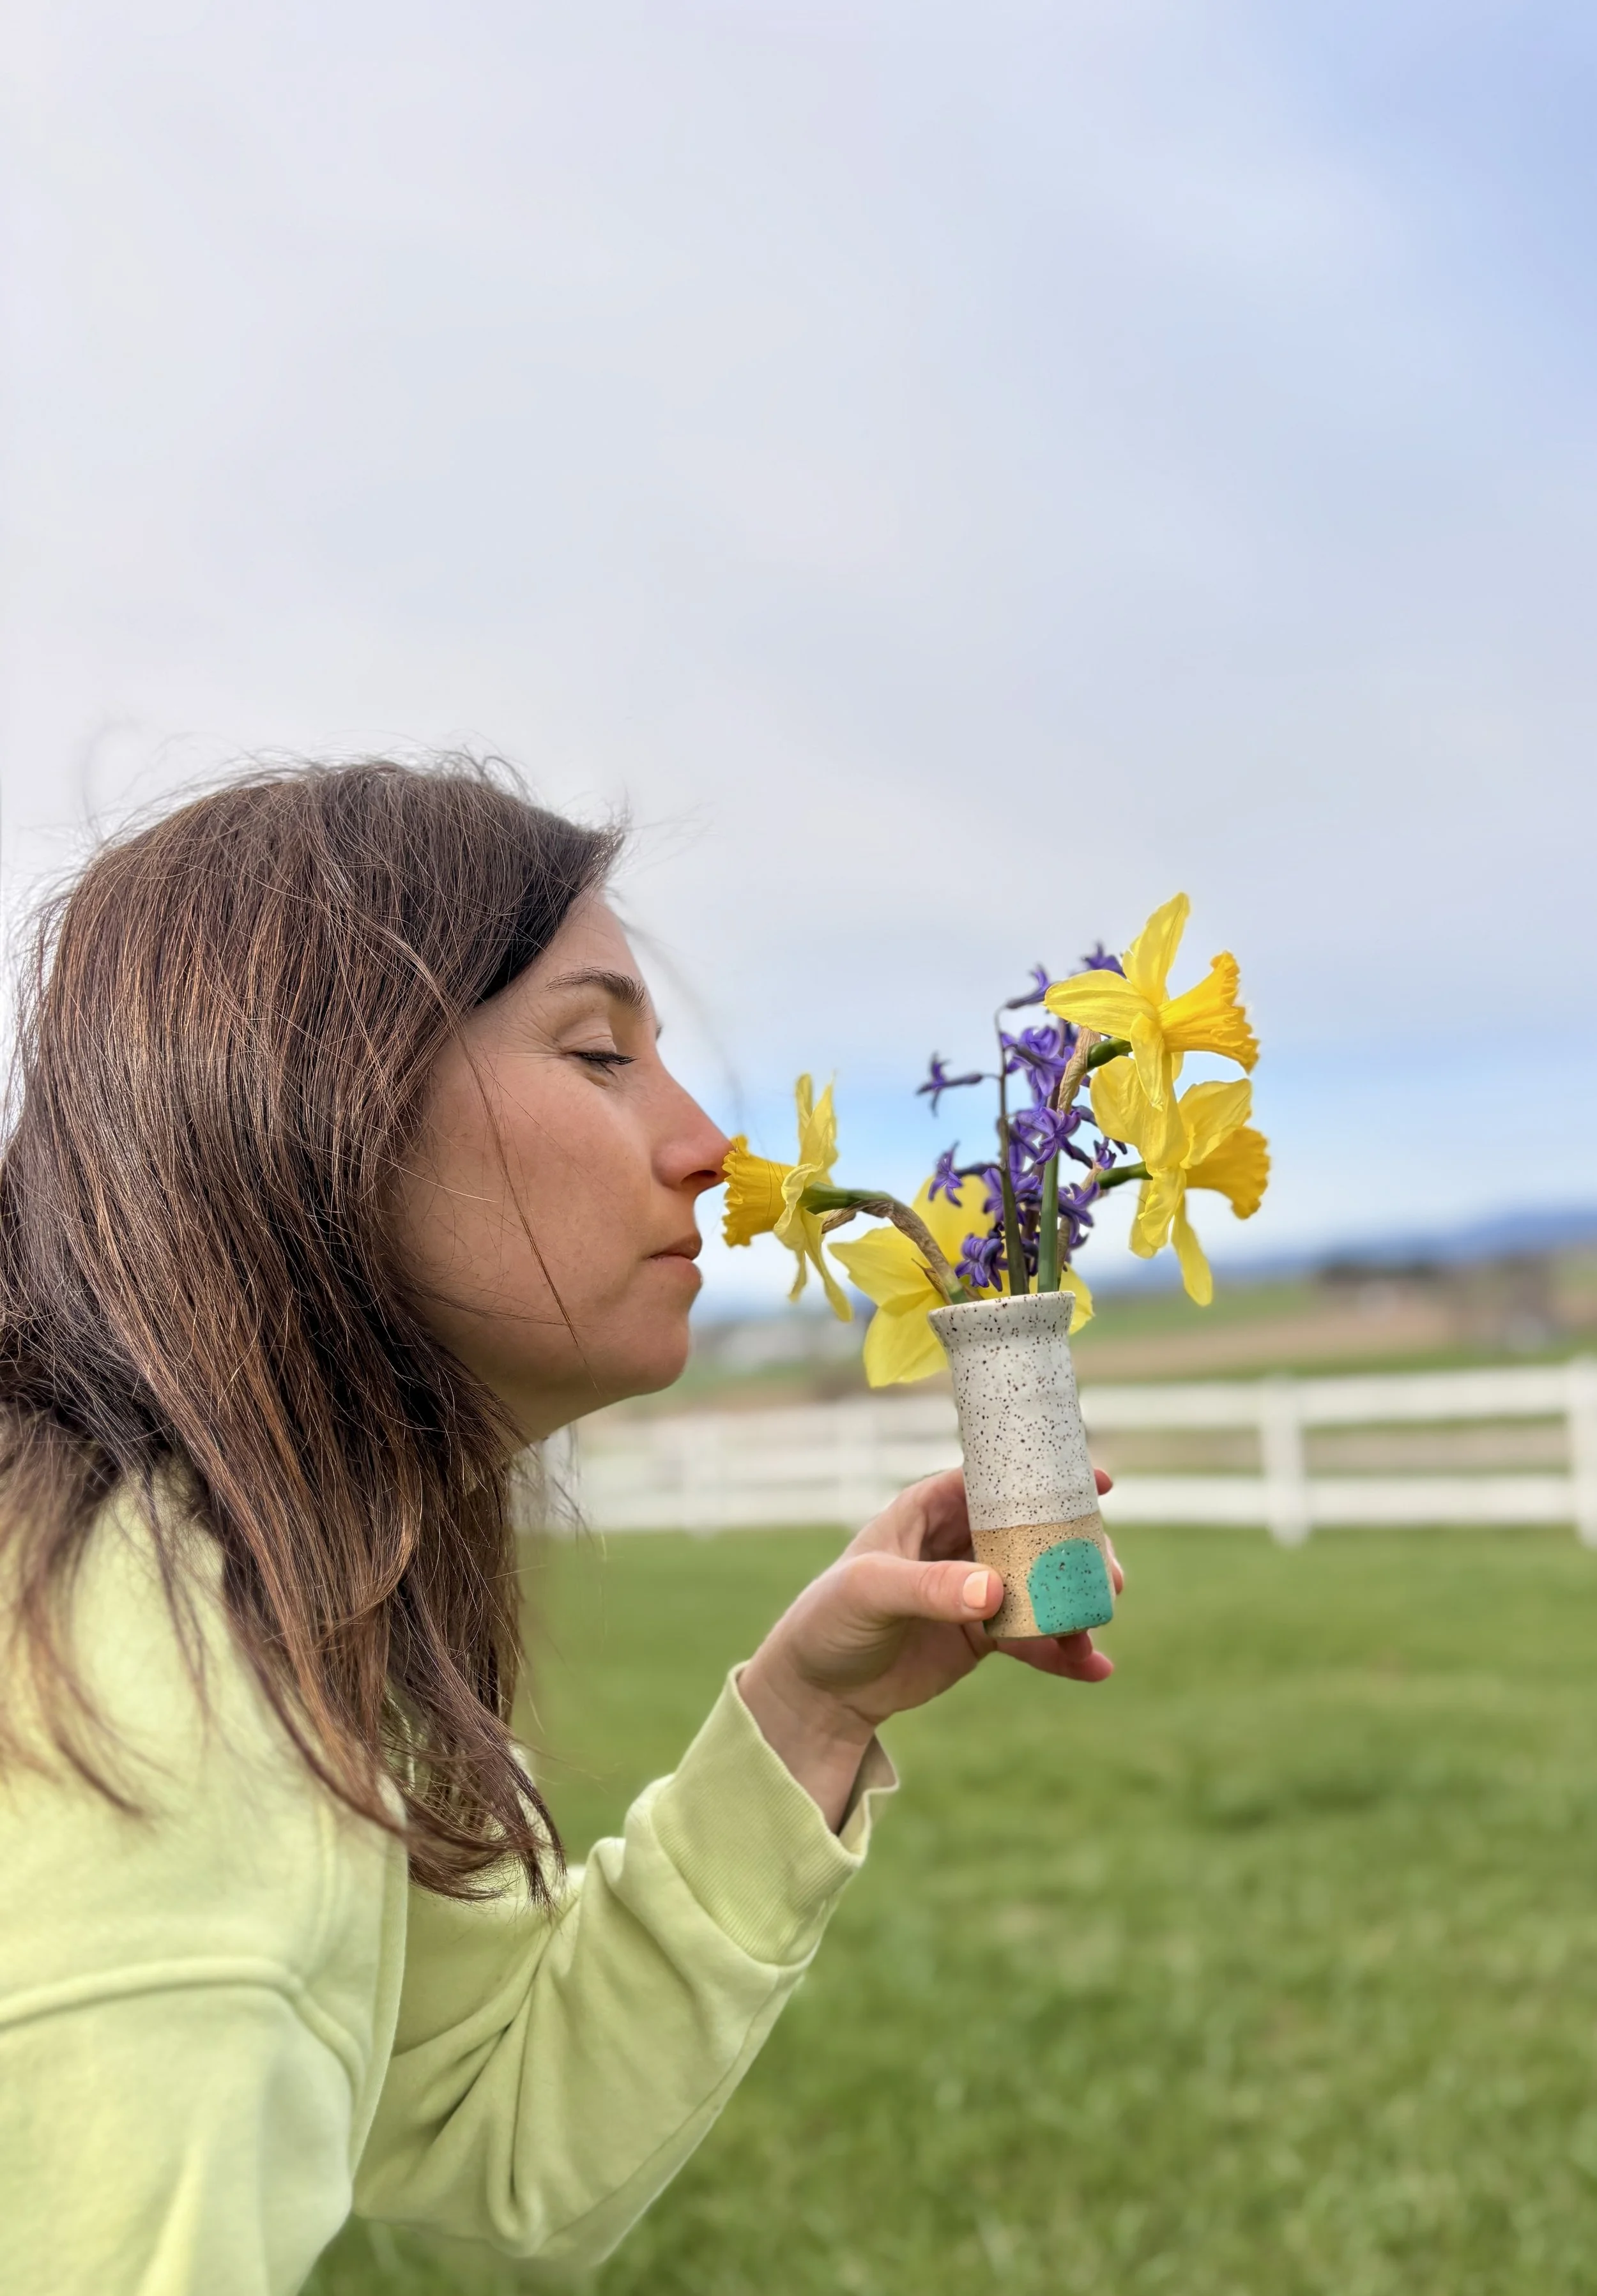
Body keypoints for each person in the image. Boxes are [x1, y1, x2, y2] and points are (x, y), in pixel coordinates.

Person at [0, 759, 1118, 2293]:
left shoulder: (252, 1600)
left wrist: (809, 1714)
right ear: (317, 1089)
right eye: (598, 1052)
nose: (710, 1146)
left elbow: (487, 2118)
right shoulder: (139, 1697)